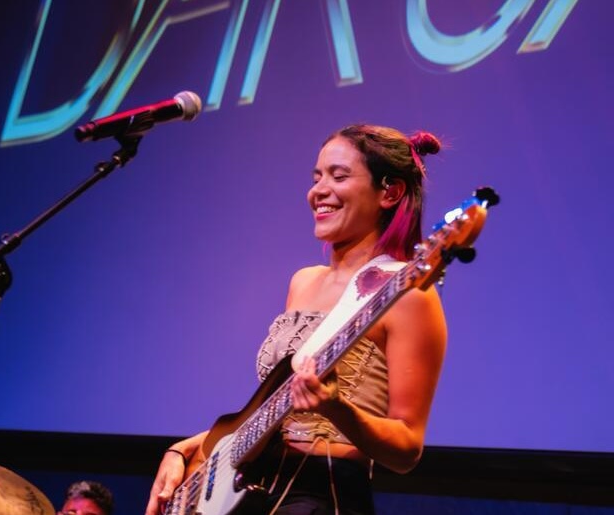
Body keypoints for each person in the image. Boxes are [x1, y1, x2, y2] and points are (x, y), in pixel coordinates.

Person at [146, 124, 448, 515]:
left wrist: (335, 408)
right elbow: (271, 415)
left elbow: (407, 447)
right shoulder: (303, 282)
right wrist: (184, 448)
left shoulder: (408, 293)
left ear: (390, 192)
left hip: (323, 493)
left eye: (339, 176)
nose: (318, 191)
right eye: (317, 177)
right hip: (255, 485)